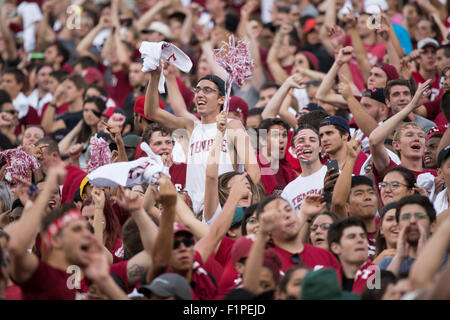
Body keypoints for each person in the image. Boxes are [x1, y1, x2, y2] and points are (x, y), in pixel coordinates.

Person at [144, 66, 260, 215]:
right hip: (195, 213)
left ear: (221, 99)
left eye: (207, 90)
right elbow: (151, 112)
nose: (199, 94)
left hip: (224, 211)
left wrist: (238, 203)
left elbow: (254, 173)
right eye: (197, 90)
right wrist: (155, 77)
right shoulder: (190, 127)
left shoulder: (233, 126)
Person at [6, 164, 129, 300]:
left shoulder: (95, 271)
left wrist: (104, 281)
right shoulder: (42, 276)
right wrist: (39, 199)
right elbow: (14, 247)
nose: (87, 234)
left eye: (86, 228)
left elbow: (153, 260)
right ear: (56, 240)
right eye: (77, 229)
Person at [254, 195, 342, 273]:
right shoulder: (264, 261)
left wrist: (304, 213)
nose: (287, 215)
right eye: (277, 213)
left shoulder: (325, 256)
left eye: (288, 209)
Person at [378, 195, 437, 276]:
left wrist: (422, 257)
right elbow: (377, 288)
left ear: (433, 226)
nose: (412, 221)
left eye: (419, 216)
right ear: (398, 226)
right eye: (406, 217)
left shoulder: (446, 261)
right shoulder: (384, 263)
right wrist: (398, 258)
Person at [281, 125, 327, 212]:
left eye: (312, 140)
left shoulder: (335, 174)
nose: (307, 144)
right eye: (301, 141)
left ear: (320, 148)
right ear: (293, 150)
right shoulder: (288, 191)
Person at [328, 217, 377, 294]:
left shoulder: (378, 277)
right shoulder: (327, 283)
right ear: (336, 248)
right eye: (352, 237)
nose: (360, 240)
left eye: (363, 236)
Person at [257, 118, 298, 195]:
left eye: (284, 135)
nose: (282, 140)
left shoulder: (287, 168)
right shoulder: (253, 164)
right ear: (262, 140)